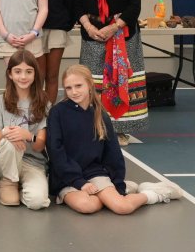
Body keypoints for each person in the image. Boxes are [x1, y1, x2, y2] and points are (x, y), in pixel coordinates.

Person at [47, 65, 183, 214]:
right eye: (68, 88)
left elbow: (113, 153)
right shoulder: (57, 112)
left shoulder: (100, 114)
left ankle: (153, 194)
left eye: (78, 86)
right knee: (87, 205)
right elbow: (56, 151)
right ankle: (118, 192)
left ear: (90, 84)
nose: (74, 91)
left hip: (94, 173)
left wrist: (118, 184)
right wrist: (79, 182)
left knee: (122, 207)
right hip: (67, 177)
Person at [75, 0, 148, 145]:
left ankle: (120, 130)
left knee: (119, 80)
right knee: (93, 82)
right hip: (93, 37)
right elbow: (77, 5)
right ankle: (93, 126)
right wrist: (89, 27)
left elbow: (135, 4)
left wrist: (114, 27)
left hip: (122, 36)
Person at [0, 50, 50, 209]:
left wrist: (28, 136)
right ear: (10, 74)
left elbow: (40, 145)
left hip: (33, 163)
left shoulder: (44, 102)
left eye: (28, 71)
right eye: (18, 71)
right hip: (7, 161)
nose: (23, 76)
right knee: (10, 139)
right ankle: (9, 181)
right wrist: (6, 133)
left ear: (35, 74)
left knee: (37, 202)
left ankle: (23, 189)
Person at [29, 0, 77, 103]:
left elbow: (72, 2)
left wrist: (66, 25)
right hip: (35, 31)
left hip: (57, 30)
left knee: (52, 75)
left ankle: (49, 112)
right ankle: (36, 111)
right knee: (38, 75)